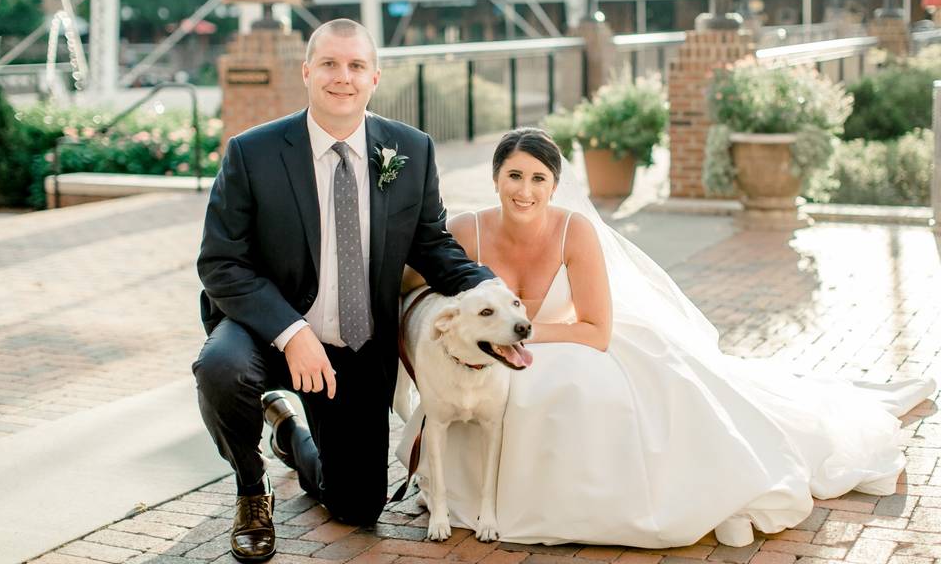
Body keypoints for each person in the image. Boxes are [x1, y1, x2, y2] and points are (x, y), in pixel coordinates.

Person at [397, 127, 936, 547]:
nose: (525, 190)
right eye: (514, 176)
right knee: (509, 393)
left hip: (573, 341)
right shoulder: (466, 231)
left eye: (538, 179)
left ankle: (589, 504)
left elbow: (597, 329)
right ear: (495, 179)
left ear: (555, 186)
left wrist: (522, 341)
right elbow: (431, 291)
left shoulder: (573, 230)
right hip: (500, 356)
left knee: (576, 391)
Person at [193, 18, 493, 562]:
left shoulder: (411, 150)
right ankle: (250, 488)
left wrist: (490, 292)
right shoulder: (252, 153)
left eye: (356, 65)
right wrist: (290, 331)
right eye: (329, 64)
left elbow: (432, 246)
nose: (342, 77)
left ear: (375, 77)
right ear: (307, 72)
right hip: (267, 329)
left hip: (356, 347)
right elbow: (220, 262)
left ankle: (289, 435)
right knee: (221, 369)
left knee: (356, 508)